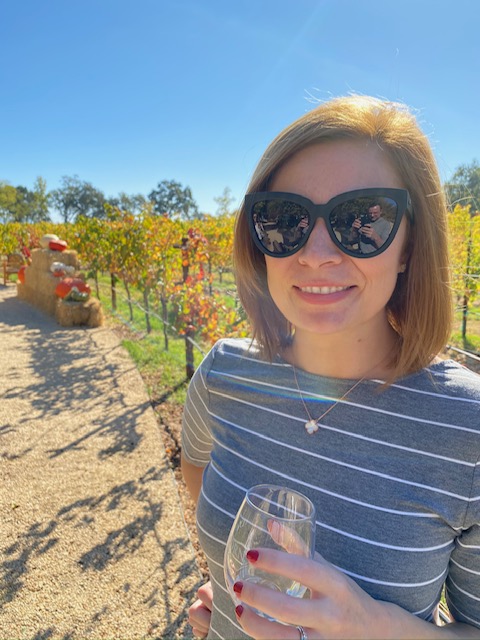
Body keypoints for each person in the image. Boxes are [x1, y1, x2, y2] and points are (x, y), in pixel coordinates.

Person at [181, 95, 480, 639]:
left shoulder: (469, 430)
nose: (316, 253)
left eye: (364, 220)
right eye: (283, 220)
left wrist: (375, 626)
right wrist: (225, 597)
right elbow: (197, 475)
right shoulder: (222, 375)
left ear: (411, 243)